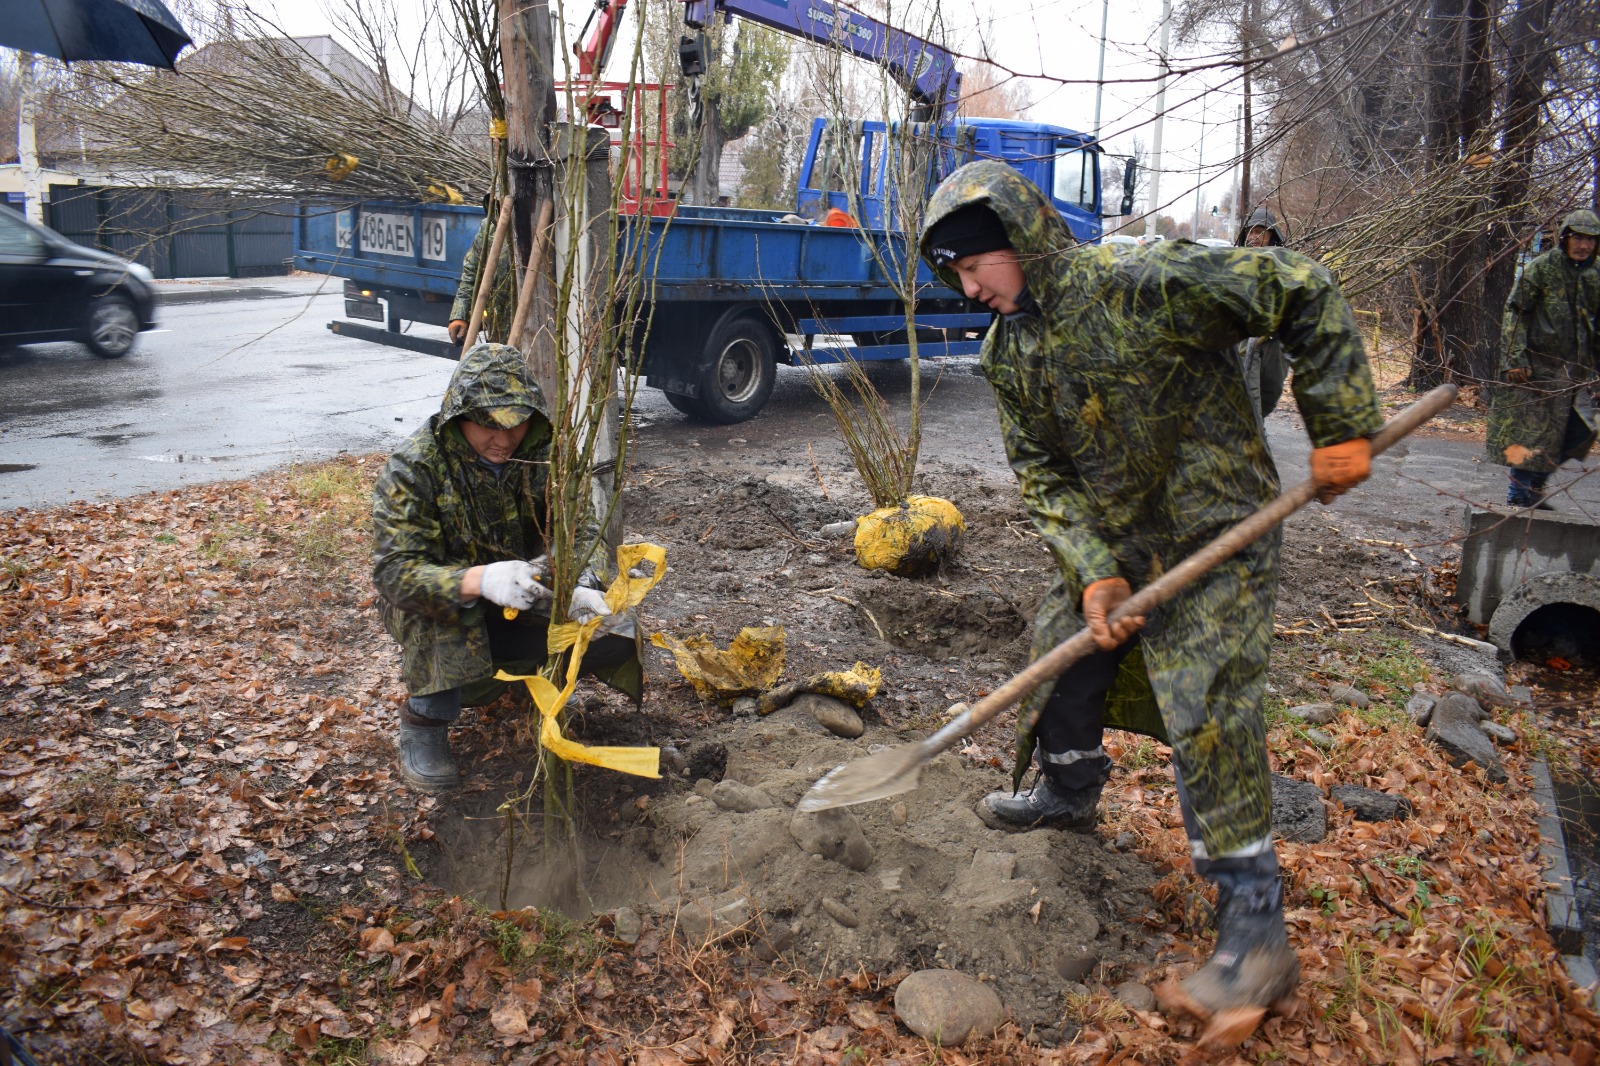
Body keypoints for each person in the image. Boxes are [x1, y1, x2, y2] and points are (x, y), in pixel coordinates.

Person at [919, 161, 1382, 1019]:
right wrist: (1092, 564)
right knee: (1061, 651)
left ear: (1018, 242)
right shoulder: (1008, 351)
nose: (968, 285)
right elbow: (1044, 475)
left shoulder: (1142, 280)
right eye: (955, 273)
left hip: (1217, 534)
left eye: (974, 265)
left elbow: (1298, 284)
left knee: (1207, 707)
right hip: (1122, 545)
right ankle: (1066, 792)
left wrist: (1342, 419)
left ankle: (1254, 936)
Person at [372, 342, 642, 792]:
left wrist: (578, 578)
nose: (503, 440)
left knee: (617, 631)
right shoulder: (414, 467)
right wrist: (479, 580)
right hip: (443, 602)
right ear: (459, 416)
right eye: (488, 426)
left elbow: (579, 528)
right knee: (449, 616)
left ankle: (533, 683)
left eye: (516, 425)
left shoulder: (542, 453)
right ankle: (425, 723)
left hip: (528, 589)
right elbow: (394, 573)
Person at [1487, 209, 1600, 510]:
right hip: (1534, 366)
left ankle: (1536, 486)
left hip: (1574, 371)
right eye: (1578, 237)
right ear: (1565, 238)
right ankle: (1519, 492)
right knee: (1527, 433)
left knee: (1574, 433)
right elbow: (1516, 312)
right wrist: (1514, 358)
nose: (1583, 245)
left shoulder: (1597, 274)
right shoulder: (1543, 268)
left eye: (1590, 240)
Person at [1235, 207, 1291, 423]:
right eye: (1250, 231)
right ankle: (1253, 435)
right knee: (1251, 394)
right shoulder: (1236, 261)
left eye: (1260, 232)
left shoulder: (1284, 263)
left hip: (1274, 340)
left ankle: (1254, 425)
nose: (1254, 237)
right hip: (1244, 340)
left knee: (1271, 392)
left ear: (1271, 236)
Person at [447, 215, 515, 346]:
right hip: (499, 332)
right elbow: (471, 274)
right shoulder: (490, 227)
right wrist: (460, 315)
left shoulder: (532, 221)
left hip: (533, 331)